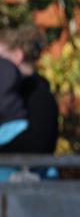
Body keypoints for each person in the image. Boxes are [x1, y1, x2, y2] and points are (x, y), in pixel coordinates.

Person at [0, 25, 58, 155]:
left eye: (1, 57)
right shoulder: (11, 93)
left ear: (17, 55)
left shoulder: (38, 94)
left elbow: (36, 144)